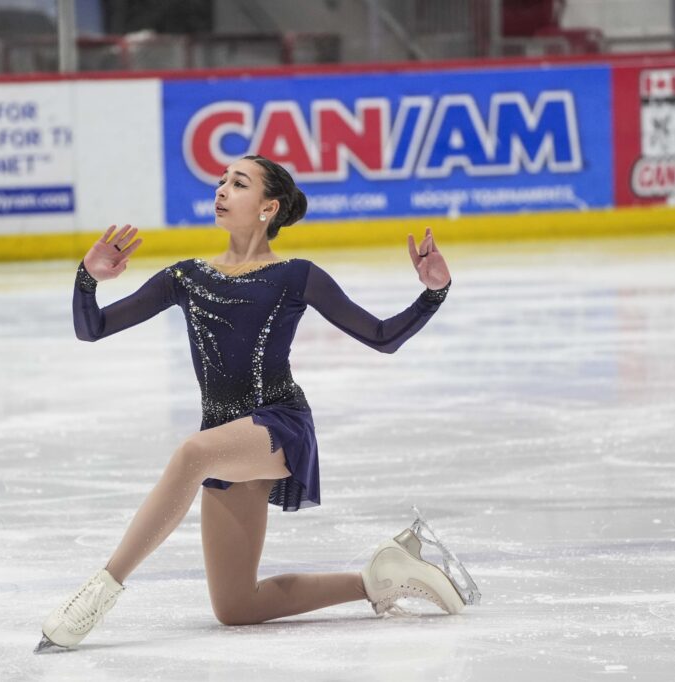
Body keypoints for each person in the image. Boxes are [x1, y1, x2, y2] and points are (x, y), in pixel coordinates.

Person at [35, 155, 477, 653]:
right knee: (235, 608)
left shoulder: (295, 276)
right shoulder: (186, 277)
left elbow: (380, 337)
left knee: (191, 454)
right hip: (225, 437)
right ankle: (380, 577)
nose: (222, 189)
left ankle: (97, 595)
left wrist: (433, 294)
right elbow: (91, 329)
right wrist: (87, 277)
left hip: (278, 424)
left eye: (238, 183)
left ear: (268, 207)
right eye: (221, 181)